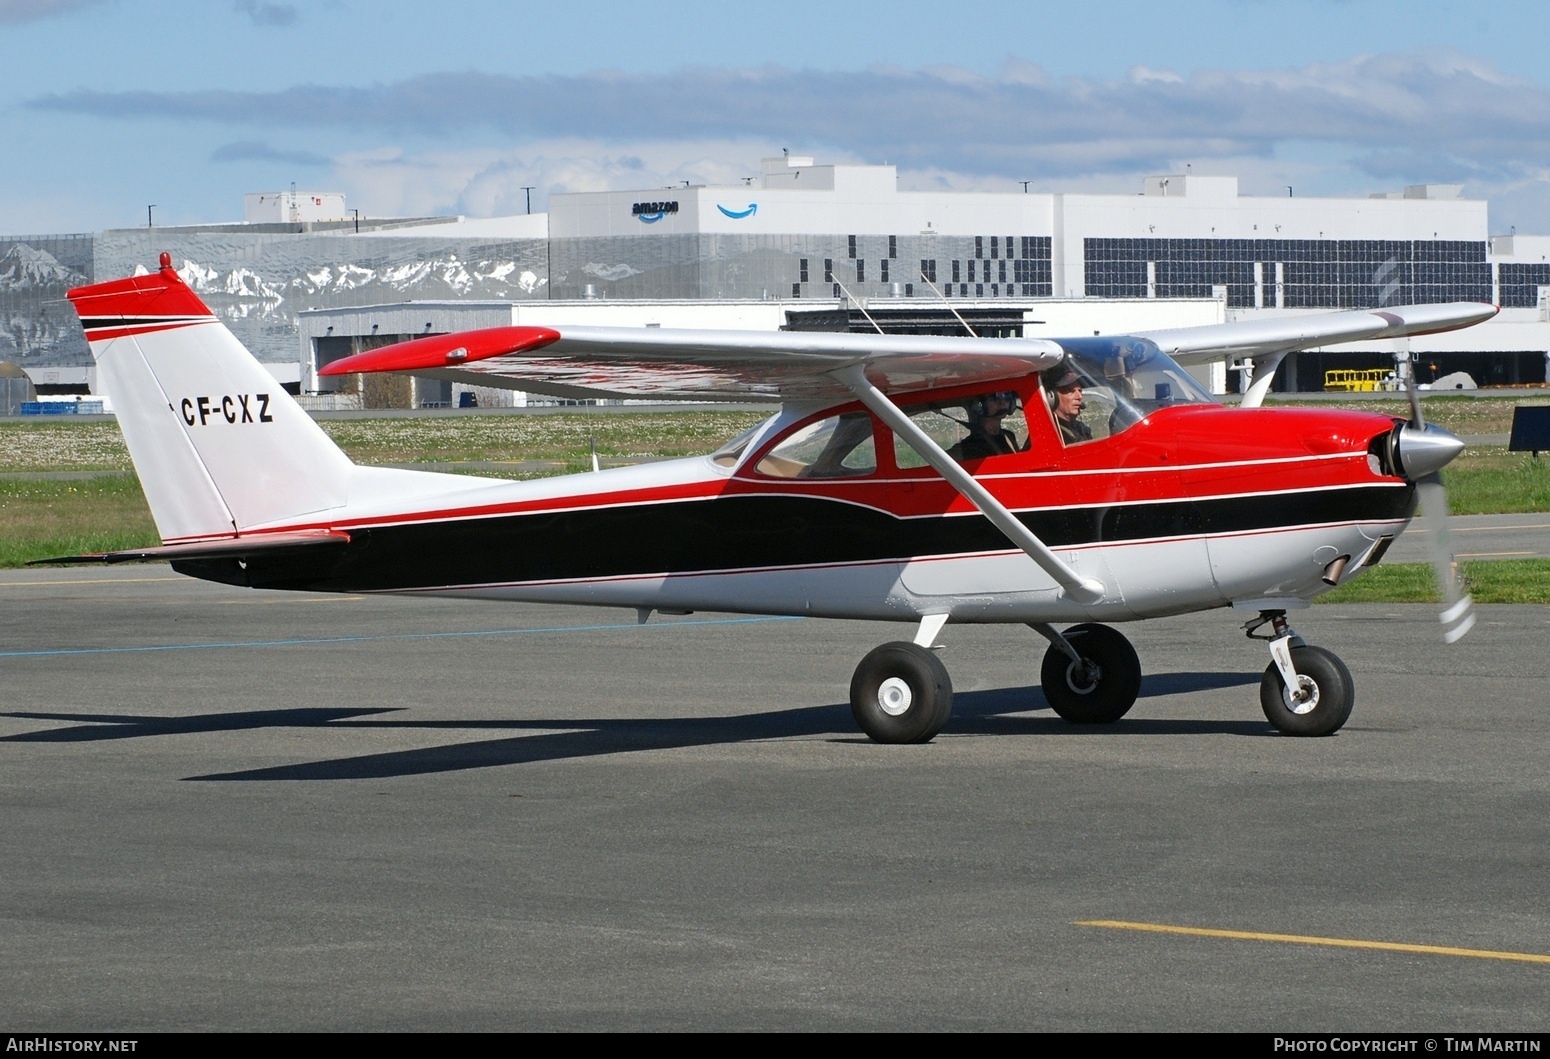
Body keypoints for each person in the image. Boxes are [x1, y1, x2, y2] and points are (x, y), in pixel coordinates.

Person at [950, 391, 1022, 459]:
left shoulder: (1009, 436)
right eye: (994, 398)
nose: (1002, 402)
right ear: (979, 405)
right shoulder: (971, 445)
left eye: (1007, 396)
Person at [1044, 366, 1092, 444]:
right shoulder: (1046, 436)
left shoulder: (1081, 429)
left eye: (1080, 391)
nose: (1079, 396)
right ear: (1052, 397)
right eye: (1071, 391)